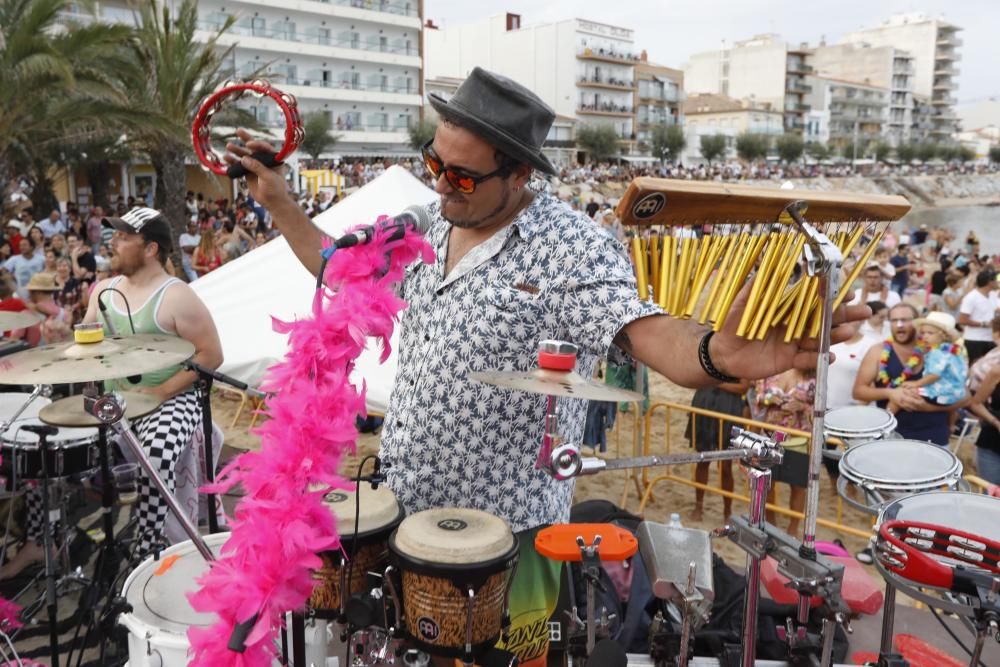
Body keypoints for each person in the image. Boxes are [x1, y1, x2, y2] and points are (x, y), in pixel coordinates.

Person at [224, 67, 867, 665]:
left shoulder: (570, 248)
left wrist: (719, 355)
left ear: (520, 175)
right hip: (406, 506)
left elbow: (649, 332)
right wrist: (279, 202)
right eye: (434, 164)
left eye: (465, 176)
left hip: (510, 535)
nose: (443, 183)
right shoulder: (428, 222)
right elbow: (340, 267)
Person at [0, 207, 224, 580]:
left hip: (171, 399)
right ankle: (42, 541)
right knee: (40, 443)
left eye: (123, 237)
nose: (112, 244)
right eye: (113, 235)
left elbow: (212, 355)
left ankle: (151, 552)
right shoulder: (103, 291)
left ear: (151, 248)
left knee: (153, 454)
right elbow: (88, 343)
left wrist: (160, 391)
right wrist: (64, 341)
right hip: (113, 403)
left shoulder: (176, 296)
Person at [853, 303, 952, 447]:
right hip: (892, 439)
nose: (899, 325)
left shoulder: (937, 351)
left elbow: (965, 398)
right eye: (894, 320)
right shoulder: (877, 351)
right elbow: (858, 392)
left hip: (934, 439)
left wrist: (927, 407)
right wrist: (890, 393)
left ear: (917, 322)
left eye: (905, 320)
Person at [750, 368, 815, 537]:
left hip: (799, 438)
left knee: (798, 486)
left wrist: (803, 407)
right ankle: (771, 524)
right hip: (769, 436)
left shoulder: (812, 374)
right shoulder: (770, 370)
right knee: (768, 484)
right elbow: (756, 398)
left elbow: (819, 409)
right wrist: (768, 399)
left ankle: (793, 528)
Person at [685, 379, 748, 522]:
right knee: (702, 460)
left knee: (726, 466)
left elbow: (744, 387)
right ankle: (698, 505)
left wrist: (718, 384)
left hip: (729, 408)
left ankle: (727, 511)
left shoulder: (740, 358)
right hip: (705, 404)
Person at [887, 312, 966, 413]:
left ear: (943, 335)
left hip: (941, 393)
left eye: (930, 333)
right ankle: (951, 424)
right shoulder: (954, 350)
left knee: (901, 394)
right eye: (923, 333)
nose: (925, 337)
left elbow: (934, 375)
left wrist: (916, 384)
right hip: (957, 393)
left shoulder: (937, 352)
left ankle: (886, 421)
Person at [967, 317, 1000, 485]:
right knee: (990, 498)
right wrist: (995, 422)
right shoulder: (996, 370)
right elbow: (975, 403)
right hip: (992, 443)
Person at [959, 270, 999, 364]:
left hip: (991, 338)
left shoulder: (992, 295)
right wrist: (983, 324)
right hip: (975, 339)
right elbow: (962, 320)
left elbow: (996, 309)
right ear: (990, 282)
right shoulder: (971, 298)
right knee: (975, 366)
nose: (998, 282)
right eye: (996, 280)